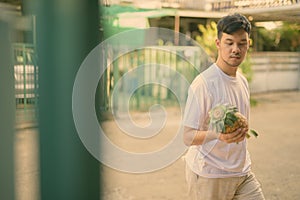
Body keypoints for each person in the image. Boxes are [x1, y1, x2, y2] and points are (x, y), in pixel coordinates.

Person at [183, 13, 265, 200]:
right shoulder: (204, 83)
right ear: (218, 43)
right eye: (229, 43)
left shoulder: (242, 81)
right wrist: (218, 135)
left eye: (241, 43)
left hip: (241, 172)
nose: (236, 49)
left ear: (248, 44)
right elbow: (187, 137)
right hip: (210, 175)